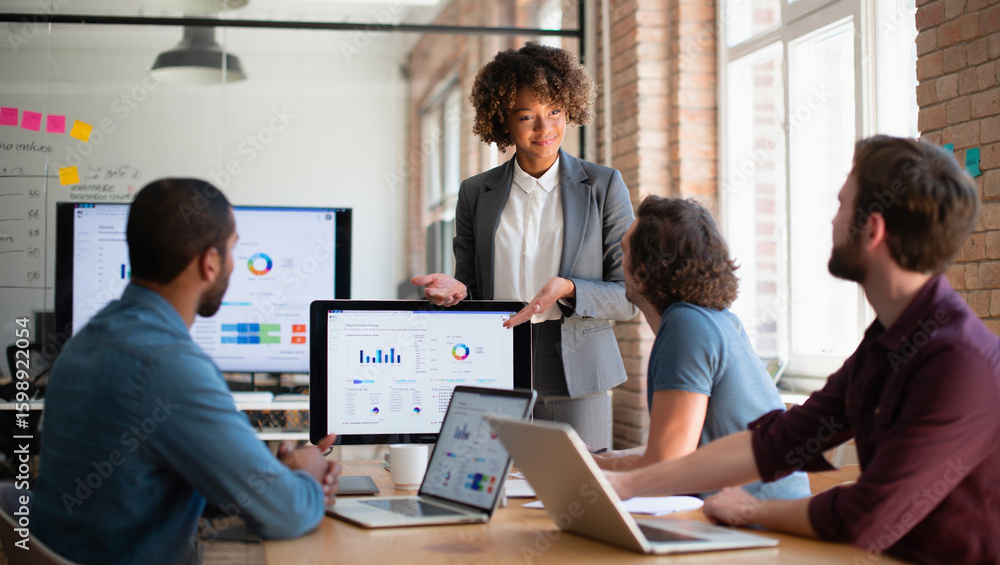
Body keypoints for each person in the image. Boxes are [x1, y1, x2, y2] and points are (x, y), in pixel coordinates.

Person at [604, 136, 1000, 564]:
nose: (832, 220)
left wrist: (754, 511)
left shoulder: (957, 360)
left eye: (841, 205)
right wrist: (624, 486)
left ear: (872, 230)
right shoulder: (885, 341)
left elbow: (866, 515)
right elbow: (775, 442)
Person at [33, 179, 341, 565]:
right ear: (210, 262)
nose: (234, 264)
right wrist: (307, 473)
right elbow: (288, 514)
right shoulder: (169, 366)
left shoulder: (86, 340)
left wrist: (261, 475)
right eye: (233, 249)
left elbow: (139, 481)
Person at [412, 43, 637, 452]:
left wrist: (571, 289)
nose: (544, 128)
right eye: (526, 116)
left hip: (577, 370)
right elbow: (471, 288)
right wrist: (458, 293)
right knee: (489, 481)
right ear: (503, 120)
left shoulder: (603, 187)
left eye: (555, 111)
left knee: (575, 486)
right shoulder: (475, 193)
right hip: (494, 361)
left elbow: (628, 297)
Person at [593, 196, 810, 500]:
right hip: (757, 511)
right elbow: (679, 450)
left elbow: (667, 465)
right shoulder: (717, 320)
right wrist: (599, 459)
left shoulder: (685, 326)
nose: (619, 264)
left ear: (642, 273)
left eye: (624, 252)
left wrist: (591, 471)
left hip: (753, 519)